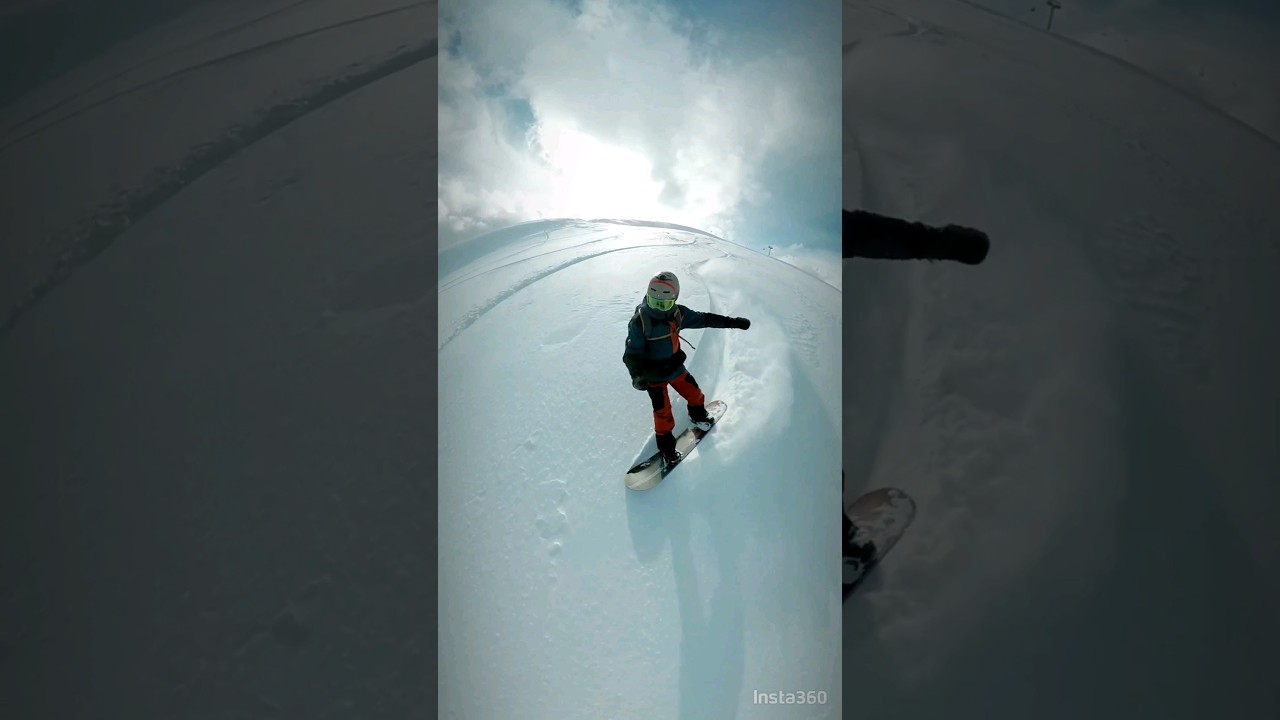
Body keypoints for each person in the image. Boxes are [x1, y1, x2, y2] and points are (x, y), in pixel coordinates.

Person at [622, 271, 751, 469]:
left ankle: (698, 415)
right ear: (647, 296)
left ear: (674, 300)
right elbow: (631, 355)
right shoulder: (640, 322)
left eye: (663, 304)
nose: (657, 308)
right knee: (663, 414)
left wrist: (732, 322)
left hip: (674, 368)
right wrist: (638, 376)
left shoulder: (678, 314)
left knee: (695, 393)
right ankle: (667, 451)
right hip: (653, 377)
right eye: (653, 301)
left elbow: (705, 319)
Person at [843, 208, 990, 264]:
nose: (960, 227)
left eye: (967, 231)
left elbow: (866, 231)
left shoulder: (922, 241)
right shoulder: (924, 241)